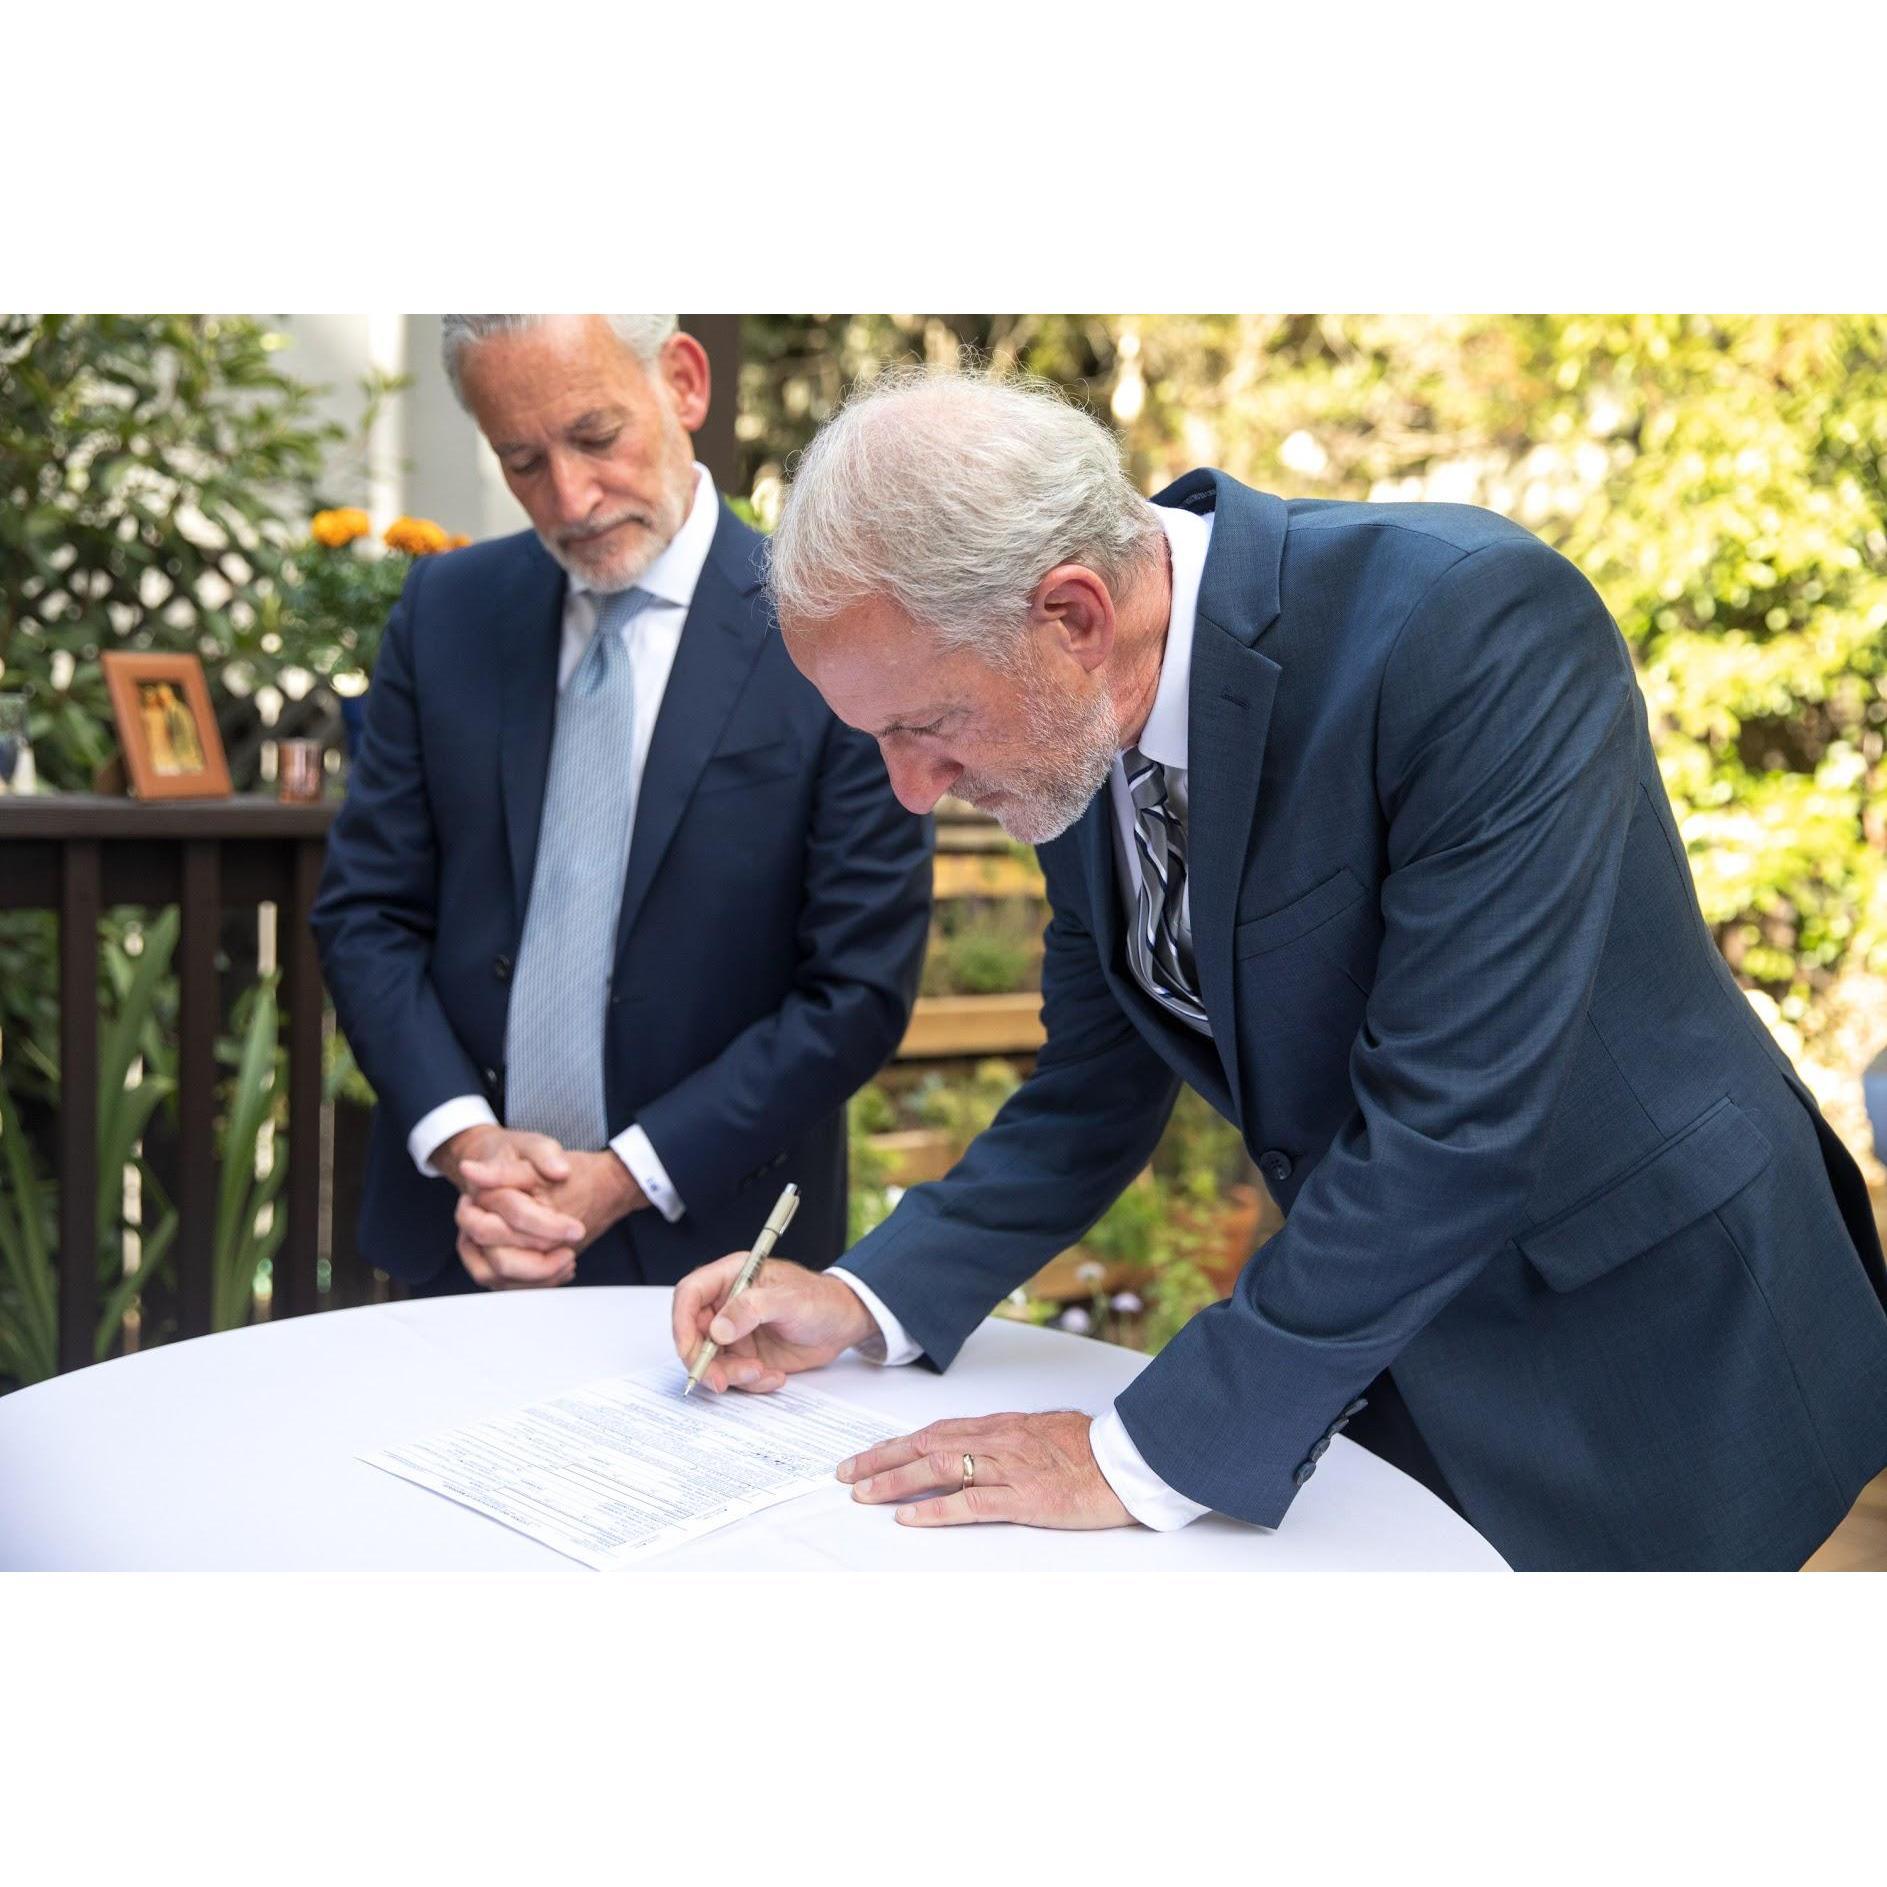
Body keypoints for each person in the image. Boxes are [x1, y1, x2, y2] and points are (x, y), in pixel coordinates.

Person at [672, 366, 1887, 1571]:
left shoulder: (1472, 629)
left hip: (1651, 1342)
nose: (912, 792)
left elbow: (1449, 1128)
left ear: (1074, 617)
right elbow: (1091, 1095)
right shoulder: (1067, 727)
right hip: (1387, 1348)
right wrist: (865, 1300)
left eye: (923, 727)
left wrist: (1129, 1454)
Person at [313, 316, 931, 1295]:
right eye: (521, 461)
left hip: (720, 1264)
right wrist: (468, 1147)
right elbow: (366, 913)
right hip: (461, 1235)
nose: (569, 497)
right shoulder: (443, 613)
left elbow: (854, 987)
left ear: (683, 382)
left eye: (596, 437)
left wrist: (626, 1176)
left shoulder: (830, 627)